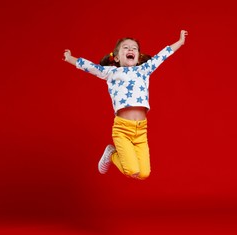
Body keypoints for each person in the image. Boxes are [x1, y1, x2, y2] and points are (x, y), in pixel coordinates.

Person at [63, 30, 188, 180]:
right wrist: (70, 58)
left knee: (144, 174)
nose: (130, 49)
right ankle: (112, 155)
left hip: (141, 130)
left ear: (138, 57)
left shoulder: (144, 69)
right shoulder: (111, 72)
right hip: (122, 128)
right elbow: (90, 67)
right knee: (131, 170)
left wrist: (180, 42)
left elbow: (162, 55)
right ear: (116, 57)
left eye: (134, 48)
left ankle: (114, 155)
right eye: (126, 48)